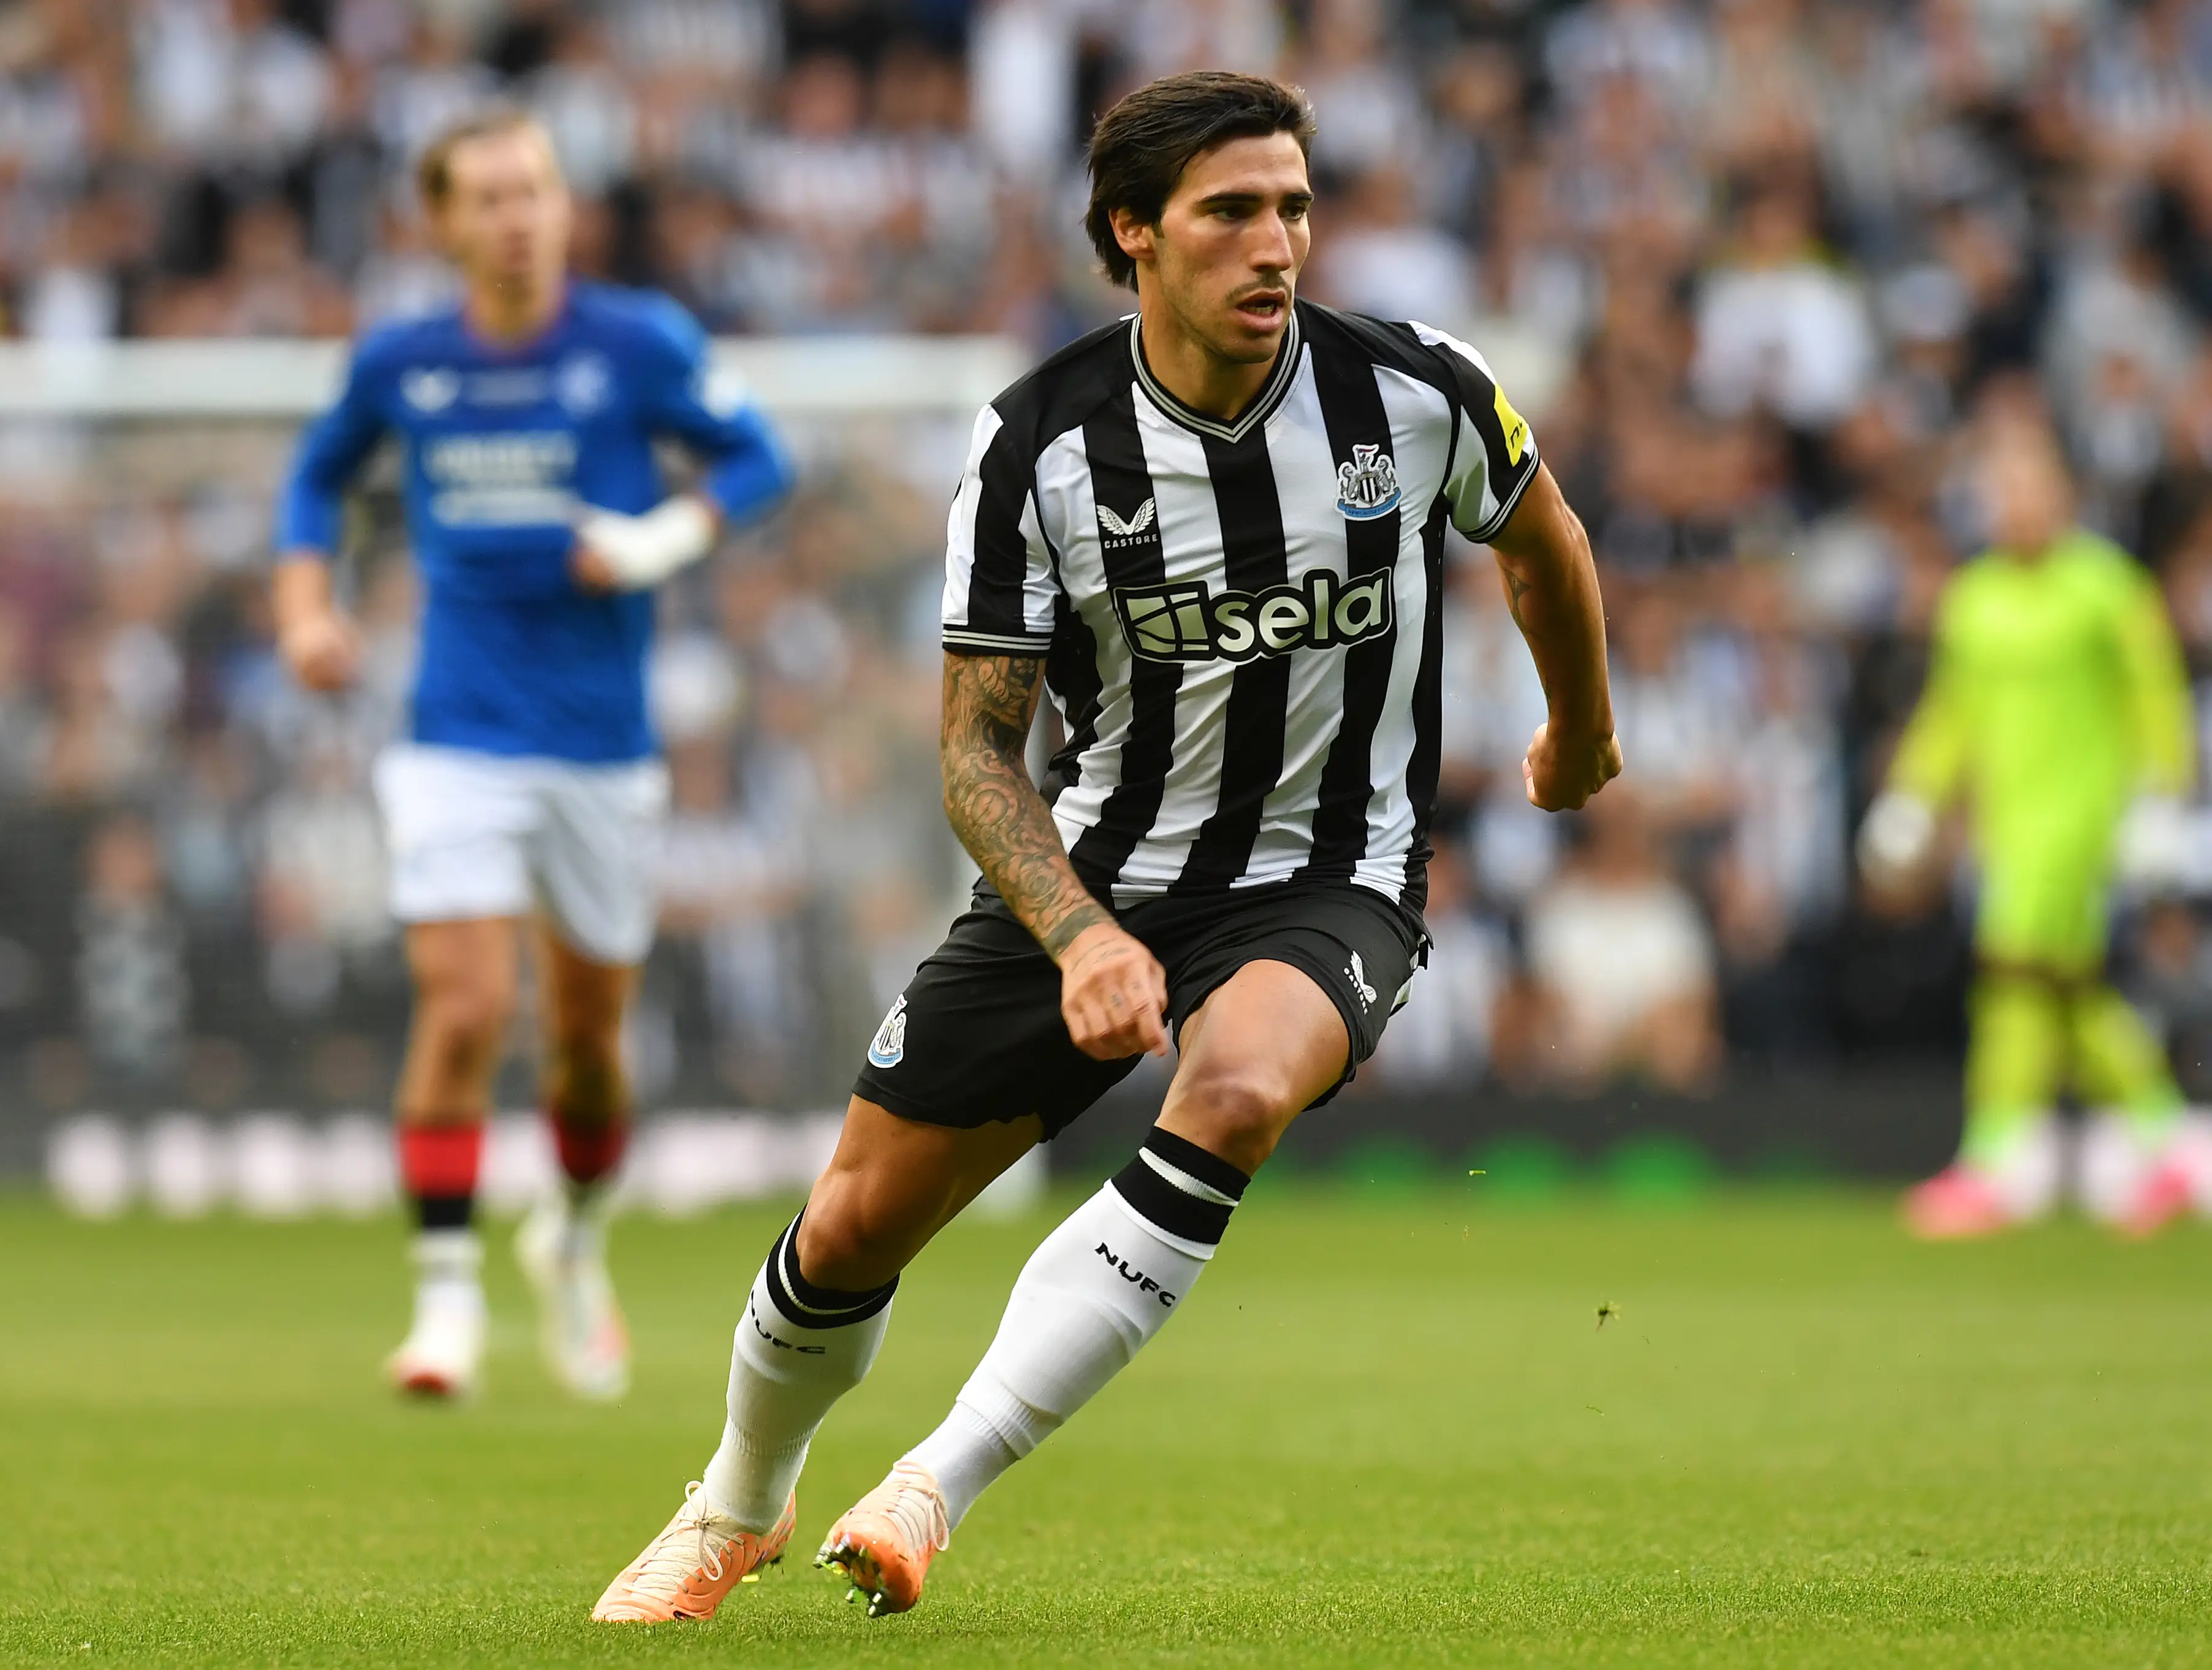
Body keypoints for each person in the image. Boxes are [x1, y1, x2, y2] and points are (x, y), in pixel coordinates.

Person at [589, 70, 1619, 1625]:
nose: (1275, 246)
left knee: (1240, 1088)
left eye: (1294, 208)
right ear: (1135, 231)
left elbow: (1542, 544)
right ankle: (735, 1502)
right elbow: (973, 754)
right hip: (1099, 872)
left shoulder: (1415, 394)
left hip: (1332, 875)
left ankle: (936, 1479)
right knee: (856, 1222)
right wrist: (1080, 935)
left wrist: (1582, 730)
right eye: (1230, 214)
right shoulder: (1038, 449)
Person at [272, 109, 791, 1401]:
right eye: (489, 197)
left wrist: (655, 544)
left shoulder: (636, 344)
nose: (516, 216)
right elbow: (315, 477)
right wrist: (303, 606)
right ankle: (443, 1301)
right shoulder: (404, 360)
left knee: (587, 1044)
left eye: (535, 191)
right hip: (455, 733)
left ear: (565, 209)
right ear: (442, 222)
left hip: (601, 748)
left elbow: (759, 457)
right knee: (463, 1004)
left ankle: (575, 1245)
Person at [1861, 415, 2197, 1239]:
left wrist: (2166, 797)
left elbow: (2157, 697)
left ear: (2064, 497)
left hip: (2082, 821)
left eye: (2029, 487)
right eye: (2000, 490)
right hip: (2005, 827)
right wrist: (1911, 796)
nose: (2015, 504)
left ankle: (1992, 1161)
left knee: (2010, 974)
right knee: (2063, 989)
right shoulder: (1974, 599)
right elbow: (1952, 716)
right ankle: (2174, 1144)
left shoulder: (2107, 587)